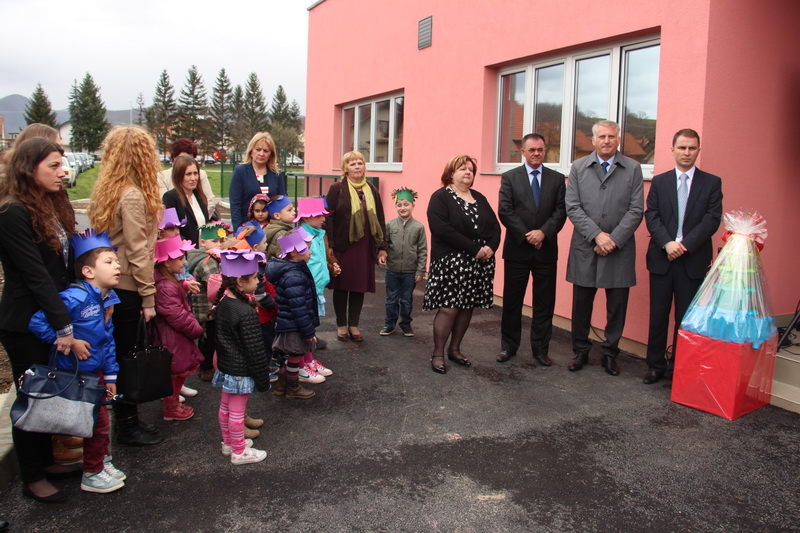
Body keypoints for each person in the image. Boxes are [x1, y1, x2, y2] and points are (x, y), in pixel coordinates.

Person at [0, 137, 80, 502]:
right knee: (30, 397)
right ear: (28, 169)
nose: (63, 172)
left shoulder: (46, 204)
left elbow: (63, 265)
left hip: (48, 315)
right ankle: (31, 477)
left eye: (63, 164)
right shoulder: (12, 212)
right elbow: (36, 276)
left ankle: (47, 461)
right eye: (54, 165)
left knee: (46, 394)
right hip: (24, 322)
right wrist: (64, 326)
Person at [29, 229, 127, 494]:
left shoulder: (106, 300)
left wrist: (110, 376)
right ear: (88, 271)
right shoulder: (75, 297)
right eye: (109, 261)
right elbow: (37, 322)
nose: (117, 266)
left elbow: (107, 341)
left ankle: (102, 462)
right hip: (77, 376)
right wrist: (68, 342)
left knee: (101, 422)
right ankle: (92, 472)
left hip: (96, 375)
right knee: (95, 424)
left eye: (117, 262)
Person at [88, 125, 165, 446]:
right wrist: (148, 296)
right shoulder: (132, 195)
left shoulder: (110, 191)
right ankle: (127, 426)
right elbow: (138, 250)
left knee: (118, 355)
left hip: (111, 284)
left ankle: (127, 420)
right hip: (129, 286)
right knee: (126, 357)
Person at [643, 128, 723, 384]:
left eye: (691, 148)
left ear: (698, 150)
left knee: (686, 319)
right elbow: (652, 215)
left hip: (692, 260)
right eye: (682, 147)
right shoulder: (660, 181)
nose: (686, 152)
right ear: (673, 150)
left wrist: (684, 245)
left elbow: (712, 219)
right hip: (662, 259)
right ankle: (655, 365)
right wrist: (668, 243)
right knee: (658, 315)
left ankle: (680, 368)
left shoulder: (712, 183)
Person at [565, 120, 644, 376]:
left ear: (619, 140)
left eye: (611, 136)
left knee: (617, 306)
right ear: (593, 140)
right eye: (602, 136)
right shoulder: (578, 167)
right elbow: (572, 207)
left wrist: (613, 239)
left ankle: (610, 354)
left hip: (619, 248)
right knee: (581, 305)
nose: (607, 141)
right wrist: (597, 236)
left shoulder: (633, 168)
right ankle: (580, 351)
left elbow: (636, 209)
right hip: (586, 246)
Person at [423, 155, 501, 374]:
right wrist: (475, 249)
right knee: (449, 308)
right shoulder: (440, 197)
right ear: (451, 173)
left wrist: (491, 247)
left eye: (471, 170)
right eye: (462, 169)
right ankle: (438, 353)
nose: (468, 172)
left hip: (478, 264)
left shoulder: (479, 197)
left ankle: (455, 350)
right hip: (451, 262)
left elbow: (495, 227)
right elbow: (442, 229)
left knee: (467, 307)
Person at [497, 134, 567, 365]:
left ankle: (540, 350)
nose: (536, 153)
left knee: (544, 304)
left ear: (545, 151)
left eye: (540, 149)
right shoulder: (510, 177)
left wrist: (543, 233)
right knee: (512, 302)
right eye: (532, 150)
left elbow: (561, 211)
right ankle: (508, 347)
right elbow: (505, 210)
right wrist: (529, 235)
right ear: (523, 152)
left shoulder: (557, 179)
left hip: (545, 250)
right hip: (518, 249)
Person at [209, 249, 272, 464]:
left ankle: (229, 443)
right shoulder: (245, 312)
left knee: (225, 408)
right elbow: (254, 349)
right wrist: (262, 377)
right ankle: (239, 451)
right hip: (240, 370)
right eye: (254, 277)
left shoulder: (224, 303)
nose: (258, 281)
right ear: (240, 282)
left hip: (227, 366)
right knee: (237, 411)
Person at [326, 151, 388, 342]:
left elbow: (380, 218)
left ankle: (353, 324)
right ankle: (341, 324)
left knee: (358, 286)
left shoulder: (371, 189)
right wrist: (330, 245)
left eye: (360, 163)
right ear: (345, 168)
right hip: (343, 245)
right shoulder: (337, 189)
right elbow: (329, 217)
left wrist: (382, 247)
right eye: (352, 164)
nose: (357, 166)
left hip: (365, 245)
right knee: (342, 285)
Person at [153, 235, 204, 421]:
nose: (184, 262)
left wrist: (183, 284)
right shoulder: (165, 287)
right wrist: (196, 329)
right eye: (181, 258)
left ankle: (173, 402)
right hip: (172, 339)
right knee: (174, 374)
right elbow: (177, 316)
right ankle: (171, 408)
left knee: (176, 373)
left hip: (173, 337)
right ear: (167, 263)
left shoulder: (166, 281)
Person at [266, 228, 319, 399]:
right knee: (295, 355)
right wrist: (308, 331)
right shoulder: (294, 275)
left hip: (290, 322)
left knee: (292, 356)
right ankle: (293, 387)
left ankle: (282, 385)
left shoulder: (294, 270)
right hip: (294, 324)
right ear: (295, 252)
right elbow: (298, 307)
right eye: (307, 248)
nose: (310, 252)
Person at [380, 187, 427, 338]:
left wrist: (420, 270)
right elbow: (384, 245)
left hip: (410, 271)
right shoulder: (389, 225)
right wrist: (382, 255)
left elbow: (422, 250)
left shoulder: (418, 227)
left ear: (413, 205)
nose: (402, 208)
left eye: (406, 204)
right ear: (395, 206)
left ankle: (406, 323)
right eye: (399, 205)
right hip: (392, 270)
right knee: (391, 299)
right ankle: (389, 324)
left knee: (407, 300)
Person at [296, 197, 341, 352]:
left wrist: (330, 267)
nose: (323, 219)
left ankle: (310, 337)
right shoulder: (301, 236)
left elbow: (321, 258)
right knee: (305, 313)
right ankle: (304, 341)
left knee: (312, 313)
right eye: (319, 215)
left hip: (316, 284)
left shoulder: (319, 234)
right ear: (306, 218)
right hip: (306, 285)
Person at [229, 132, 288, 229]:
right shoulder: (240, 172)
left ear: (271, 154)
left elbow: (282, 204)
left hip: (272, 229)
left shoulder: (277, 174)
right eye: (258, 149)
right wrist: (238, 230)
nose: (261, 154)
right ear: (251, 151)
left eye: (266, 151)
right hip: (247, 228)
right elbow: (235, 204)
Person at [157, 138, 218, 216]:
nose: (193, 178)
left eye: (190, 159)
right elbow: (164, 205)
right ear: (174, 157)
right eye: (182, 158)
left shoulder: (201, 175)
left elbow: (210, 200)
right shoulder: (162, 176)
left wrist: (200, 219)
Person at [162, 155, 211, 246]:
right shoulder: (170, 197)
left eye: (195, 173)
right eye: (188, 174)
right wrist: (185, 244)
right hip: (183, 251)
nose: (193, 178)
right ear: (178, 175)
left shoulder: (199, 196)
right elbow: (169, 230)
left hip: (202, 250)